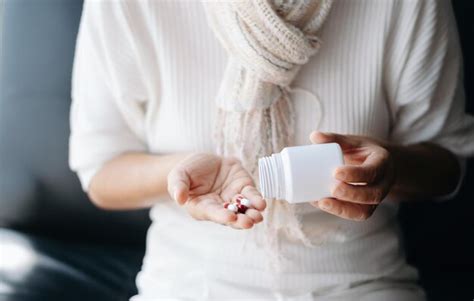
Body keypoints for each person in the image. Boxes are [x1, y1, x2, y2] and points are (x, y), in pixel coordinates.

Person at [69, 0, 474, 300]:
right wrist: (180, 176)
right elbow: (100, 171)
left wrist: (390, 169)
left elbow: (447, 162)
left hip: (360, 284)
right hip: (189, 284)